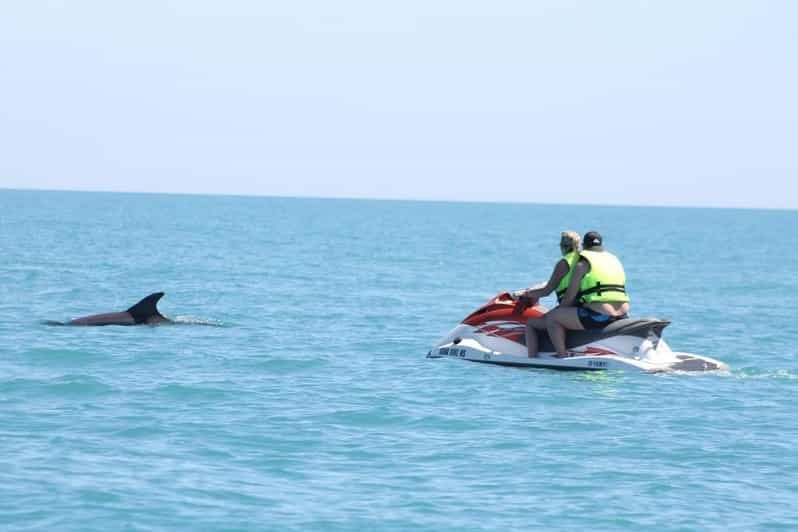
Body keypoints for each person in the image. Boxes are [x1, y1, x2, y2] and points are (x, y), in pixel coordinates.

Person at [539, 231, 630, 357]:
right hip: (623, 314)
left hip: (600, 316)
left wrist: (558, 311)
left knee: (553, 317)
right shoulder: (614, 259)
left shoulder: (582, 264)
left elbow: (568, 299)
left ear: (584, 246)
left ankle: (561, 356)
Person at [519, 230, 582, 357]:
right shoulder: (583, 260)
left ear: (561, 246)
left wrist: (526, 294)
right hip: (582, 305)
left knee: (531, 324)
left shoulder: (564, 263)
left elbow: (547, 291)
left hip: (569, 308)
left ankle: (533, 360)